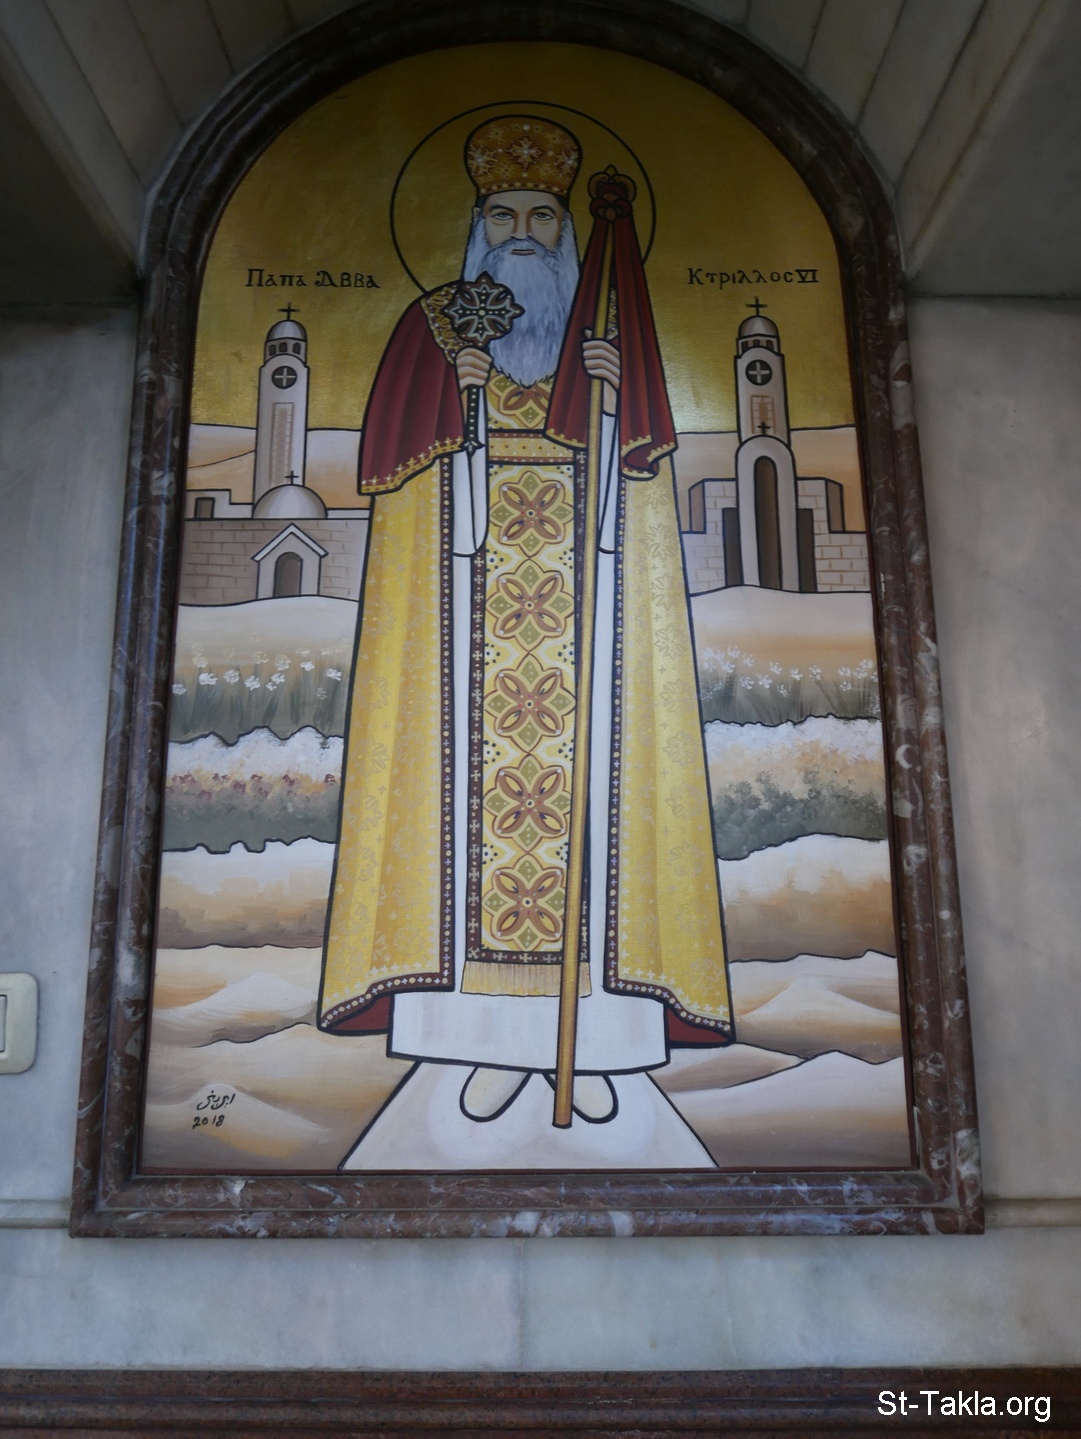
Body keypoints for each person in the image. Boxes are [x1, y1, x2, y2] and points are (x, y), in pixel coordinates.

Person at [318, 115, 732, 1126]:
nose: (521, 233)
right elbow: (407, 501)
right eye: (501, 215)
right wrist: (459, 411)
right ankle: (485, 1043)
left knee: (597, 821)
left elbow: (635, 509)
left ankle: (593, 1050)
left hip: (588, 629)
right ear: (475, 225)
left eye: (541, 216)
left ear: (565, 228)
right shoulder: (434, 330)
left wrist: (610, 400)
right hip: (466, 634)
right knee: (463, 829)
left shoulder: (602, 333)